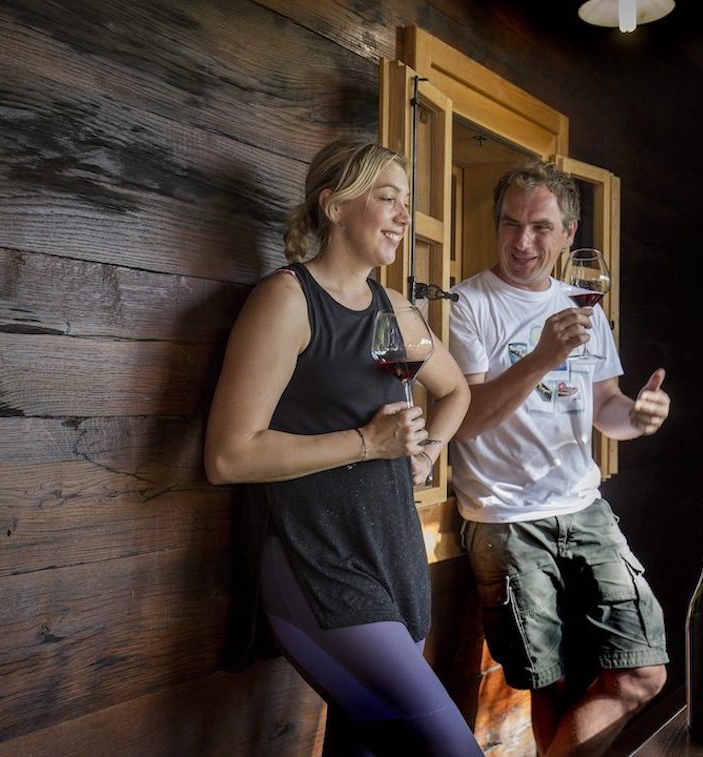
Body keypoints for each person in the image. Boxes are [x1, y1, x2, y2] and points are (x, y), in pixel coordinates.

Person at [205, 140, 480, 757]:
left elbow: (456, 390)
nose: (404, 216)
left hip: (394, 552)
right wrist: (367, 442)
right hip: (315, 555)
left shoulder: (396, 311)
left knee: (365, 749)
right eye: (388, 199)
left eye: (406, 202)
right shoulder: (286, 299)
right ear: (333, 206)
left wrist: (426, 452)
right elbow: (228, 456)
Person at [448, 160, 671, 757]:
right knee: (550, 686)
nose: (522, 241)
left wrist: (638, 417)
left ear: (569, 233)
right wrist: (542, 356)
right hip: (505, 516)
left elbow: (606, 408)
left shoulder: (583, 306)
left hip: (583, 506)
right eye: (510, 223)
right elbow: (466, 420)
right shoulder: (468, 304)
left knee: (643, 672)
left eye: (540, 227)